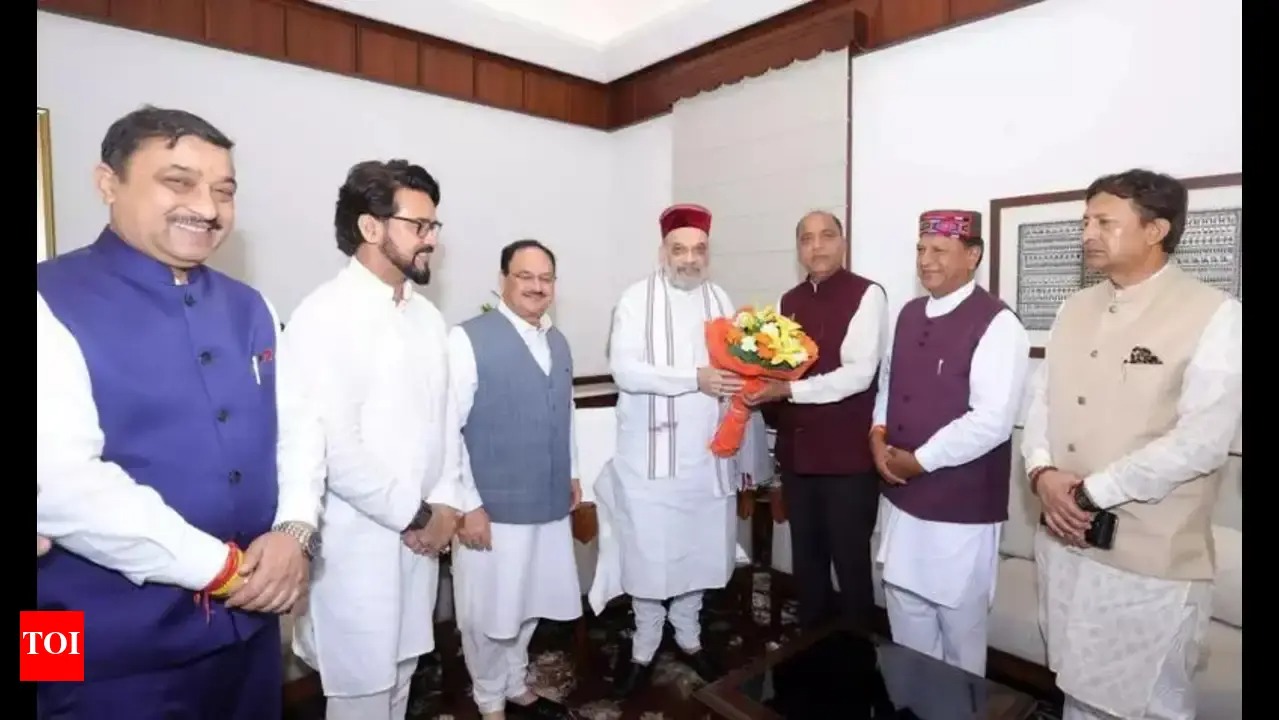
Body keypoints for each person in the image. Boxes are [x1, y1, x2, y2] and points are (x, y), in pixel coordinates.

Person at [35, 106, 326, 718]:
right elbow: (59, 483)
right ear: (108, 183)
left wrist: (294, 530)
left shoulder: (251, 305)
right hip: (82, 641)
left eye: (224, 190)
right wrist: (224, 570)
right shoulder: (47, 298)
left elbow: (299, 427)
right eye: (179, 182)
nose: (208, 207)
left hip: (244, 628)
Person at [1023, 169, 1242, 720]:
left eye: (1104, 222)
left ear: (1156, 230)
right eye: (1085, 222)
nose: (1088, 234)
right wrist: (1042, 474)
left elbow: (1201, 442)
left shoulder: (1216, 315)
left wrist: (1090, 492)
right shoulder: (1074, 307)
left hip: (1149, 561)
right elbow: (1041, 402)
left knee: (1150, 705)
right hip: (1064, 545)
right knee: (1075, 691)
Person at [286, 160, 474, 720]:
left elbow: (445, 422)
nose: (431, 239)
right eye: (419, 226)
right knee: (361, 695)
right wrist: (418, 515)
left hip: (419, 541)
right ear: (371, 227)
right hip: (357, 547)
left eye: (434, 226)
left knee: (400, 681)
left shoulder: (427, 318)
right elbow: (332, 447)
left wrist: (446, 504)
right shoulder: (323, 316)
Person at [594, 203, 760, 697]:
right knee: (650, 554)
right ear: (662, 251)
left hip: (707, 458)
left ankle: (688, 633)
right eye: (679, 249)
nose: (690, 259)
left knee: (699, 549)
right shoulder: (635, 299)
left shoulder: (720, 298)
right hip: (651, 460)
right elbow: (625, 370)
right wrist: (695, 378)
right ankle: (645, 644)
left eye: (699, 249)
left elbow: (736, 366)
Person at [870, 209, 1030, 676]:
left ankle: (959, 706)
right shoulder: (909, 313)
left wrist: (920, 460)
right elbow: (888, 384)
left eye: (940, 250)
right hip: (901, 498)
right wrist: (877, 433)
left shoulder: (998, 323)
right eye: (921, 249)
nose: (926, 260)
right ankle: (914, 704)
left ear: (973, 255)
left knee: (959, 631)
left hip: (959, 506)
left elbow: (992, 421)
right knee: (906, 615)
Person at [449, 239, 585, 720]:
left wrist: (572, 472)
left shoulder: (557, 340)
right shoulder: (467, 339)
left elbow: (565, 411)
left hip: (548, 499)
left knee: (530, 599)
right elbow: (447, 428)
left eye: (546, 278)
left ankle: (513, 680)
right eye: (525, 276)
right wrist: (467, 504)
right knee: (489, 610)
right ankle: (488, 697)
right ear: (503, 279)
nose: (536, 286)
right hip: (492, 507)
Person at [746, 210, 888, 632]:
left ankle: (857, 657)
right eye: (806, 239)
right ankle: (812, 654)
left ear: (842, 243)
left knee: (851, 565)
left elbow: (858, 374)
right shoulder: (787, 302)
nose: (817, 246)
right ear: (798, 249)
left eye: (826, 236)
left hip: (847, 460)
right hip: (798, 456)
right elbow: (775, 367)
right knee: (807, 566)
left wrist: (788, 390)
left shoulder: (867, 294)